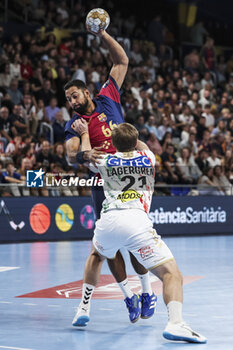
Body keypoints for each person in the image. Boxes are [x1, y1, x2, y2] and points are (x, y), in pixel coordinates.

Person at [74, 122, 207, 344]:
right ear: (135, 143)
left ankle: (83, 309)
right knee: (171, 274)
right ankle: (176, 323)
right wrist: (131, 136)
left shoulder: (105, 160)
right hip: (136, 221)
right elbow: (141, 145)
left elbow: (85, 154)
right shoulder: (148, 158)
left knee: (96, 256)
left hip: (109, 219)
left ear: (113, 144)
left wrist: (84, 133)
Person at [64, 26, 155, 324]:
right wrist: (83, 154)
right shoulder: (76, 123)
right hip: (101, 184)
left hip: (127, 176)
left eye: (75, 96)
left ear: (87, 92)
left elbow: (122, 61)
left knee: (134, 242)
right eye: (68, 99)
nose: (72, 102)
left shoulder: (107, 98)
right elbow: (70, 153)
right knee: (108, 247)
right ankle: (128, 295)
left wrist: (101, 34)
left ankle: (145, 292)